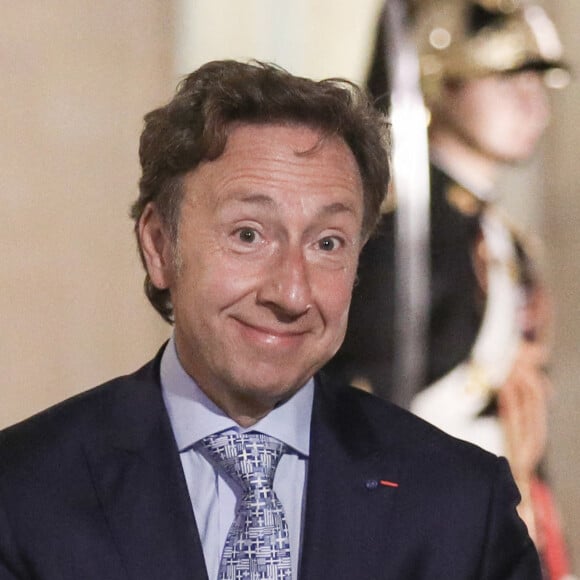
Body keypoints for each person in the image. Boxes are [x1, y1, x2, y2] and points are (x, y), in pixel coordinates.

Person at [0, 60, 541, 579]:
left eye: (328, 243)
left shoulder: (464, 505)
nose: (291, 292)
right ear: (160, 246)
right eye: (249, 235)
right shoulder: (21, 493)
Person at [327, 1, 572, 577]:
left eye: (537, 79)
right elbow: (362, 400)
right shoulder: (399, 231)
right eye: (506, 77)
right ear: (443, 82)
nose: (532, 101)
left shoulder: (492, 232)